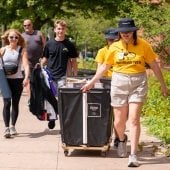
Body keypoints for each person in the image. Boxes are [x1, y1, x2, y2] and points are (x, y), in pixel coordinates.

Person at [81, 18, 168, 167]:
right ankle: (121, 139)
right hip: (119, 81)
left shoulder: (144, 45)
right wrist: (91, 82)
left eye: (128, 31)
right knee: (119, 121)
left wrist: (163, 85)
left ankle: (133, 155)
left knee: (134, 119)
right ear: (119, 33)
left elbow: (154, 64)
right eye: (122, 32)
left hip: (138, 82)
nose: (126, 34)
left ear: (133, 31)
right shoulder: (114, 47)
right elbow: (104, 67)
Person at [0, 29, 30, 138]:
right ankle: (6, 128)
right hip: (5, 80)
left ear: (18, 39)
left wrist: (26, 77)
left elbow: (26, 65)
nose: (13, 39)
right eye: (11, 37)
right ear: (7, 38)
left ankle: (13, 126)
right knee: (7, 102)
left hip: (17, 79)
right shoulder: (2, 50)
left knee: (15, 103)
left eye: (16, 37)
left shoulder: (22, 50)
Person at [40, 19, 78, 85]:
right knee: (50, 95)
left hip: (63, 77)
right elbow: (45, 59)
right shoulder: (49, 44)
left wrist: (75, 75)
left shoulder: (70, 45)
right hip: (49, 76)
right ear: (55, 30)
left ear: (65, 30)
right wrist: (39, 68)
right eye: (59, 29)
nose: (60, 31)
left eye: (63, 29)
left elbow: (73, 61)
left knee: (61, 95)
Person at [22, 19, 46, 98]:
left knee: (39, 81)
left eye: (28, 25)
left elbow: (45, 47)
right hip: (27, 63)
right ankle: (31, 99)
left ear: (32, 25)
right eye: (25, 25)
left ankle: (39, 99)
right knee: (28, 81)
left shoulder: (39, 33)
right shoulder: (22, 36)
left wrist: (44, 58)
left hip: (39, 62)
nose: (27, 27)